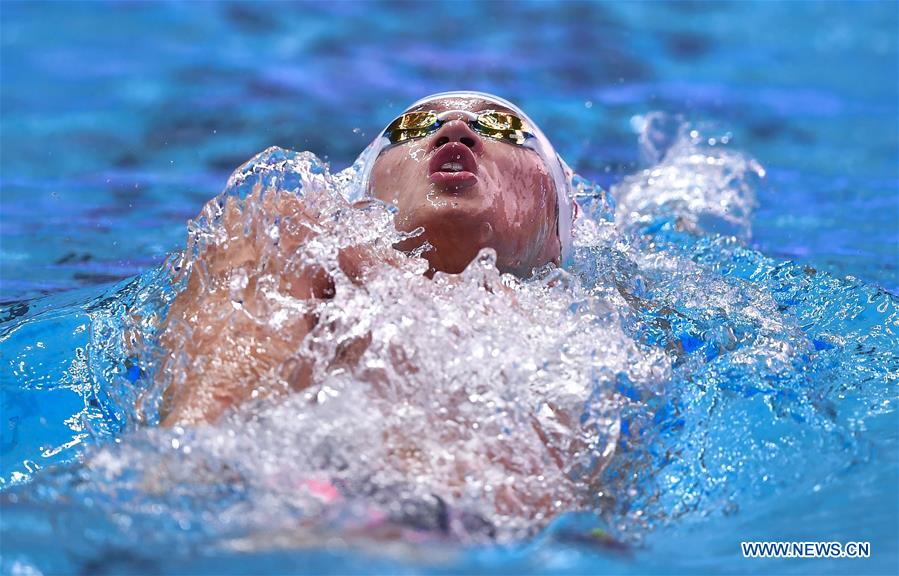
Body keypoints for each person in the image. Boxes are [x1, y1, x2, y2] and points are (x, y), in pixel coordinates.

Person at [156, 91, 580, 427]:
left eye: (502, 127)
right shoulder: (304, 243)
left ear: (563, 217)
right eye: (412, 126)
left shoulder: (587, 335)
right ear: (363, 197)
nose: (454, 129)